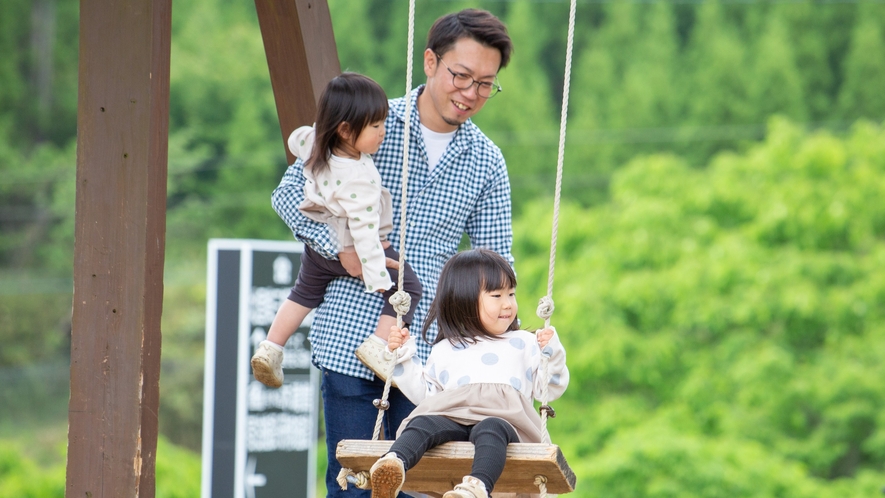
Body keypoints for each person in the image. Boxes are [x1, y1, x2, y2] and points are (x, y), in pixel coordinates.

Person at [271, 9, 515, 497]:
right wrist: (341, 254)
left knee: (422, 486)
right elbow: (287, 197)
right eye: (461, 76)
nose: (470, 93)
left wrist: (515, 353)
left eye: (485, 84)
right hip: (350, 335)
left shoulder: (487, 161)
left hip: (433, 357)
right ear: (430, 62)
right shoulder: (368, 121)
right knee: (355, 484)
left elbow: (494, 268)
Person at [252, 72, 423, 388]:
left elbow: (297, 138)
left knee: (304, 292)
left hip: (319, 243)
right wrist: (373, 271)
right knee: (409, 285)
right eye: (376, 126)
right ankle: (379, 346)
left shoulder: (316, 144)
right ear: (345, 130)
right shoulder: (360, 178)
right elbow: (363, 227)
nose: (384, 132)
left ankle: (271, 347)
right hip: (353, 243)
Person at [369, 249, 569, 498]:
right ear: (463, 300)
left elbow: (549, 389)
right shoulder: (446, 348)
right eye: (496, 295)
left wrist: (551, 352)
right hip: (451, 418)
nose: (508, 303)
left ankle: (476, 487)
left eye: (511, 294)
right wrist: (403, 356)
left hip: (504, 423)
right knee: (422, 422)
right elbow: (426, 395)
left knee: (491, 428)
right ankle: (393, 463)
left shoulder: (525, 343)